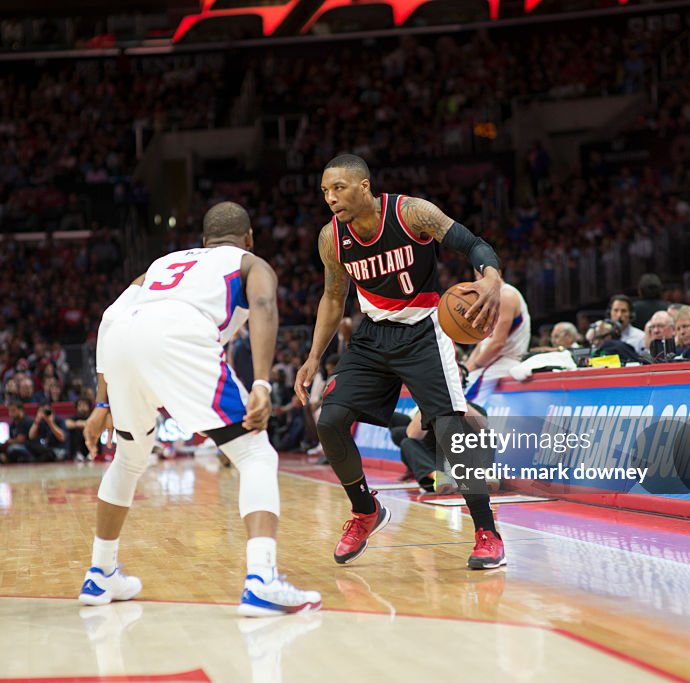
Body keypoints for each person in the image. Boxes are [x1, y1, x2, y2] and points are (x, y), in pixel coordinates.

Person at [80, 201, 321, 615]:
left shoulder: (161, 264)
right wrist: (261, 382)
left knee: (128, 459)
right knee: (255, 452)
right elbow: (264, 306)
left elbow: (110, 316)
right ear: (248, 237)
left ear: (203, 241)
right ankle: (262, 579)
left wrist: (102, 401)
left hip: (120, 339)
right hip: (178, 333)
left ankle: (100, 574)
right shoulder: (250, 262)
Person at [294, 154, 507, 570]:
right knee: (329, 421)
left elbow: (472, 244)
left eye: (338, 188)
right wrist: (313, 356)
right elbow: (334, 297)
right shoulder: (331, 238)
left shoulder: (411, 213)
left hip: (426, 329)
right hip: (373, 334)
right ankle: (365, 510)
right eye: (324, 191)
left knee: (449, 428)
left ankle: (487, 533)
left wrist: (492, 277)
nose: (330, 198)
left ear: (364, 186)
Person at [463, 279, 531, 407]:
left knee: (461, 402)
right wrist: (466, 367)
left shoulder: (506, 295)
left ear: (497, 273)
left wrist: (472, 368)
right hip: (490, 361)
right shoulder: (490, 298)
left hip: (504, 359)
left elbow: (497, 344)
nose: (479, 278)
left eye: (483, 273)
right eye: (476, 273)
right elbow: (482, 343)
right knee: (456, 386)